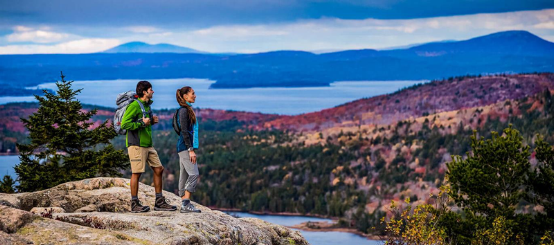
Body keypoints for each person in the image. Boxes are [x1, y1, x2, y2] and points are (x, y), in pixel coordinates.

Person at [121, 81, 177, 212]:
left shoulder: (147, 106)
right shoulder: (134, 106)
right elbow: (124, 124)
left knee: (159, 169)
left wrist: (151, 122)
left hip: (148, 144)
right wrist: (142, 123)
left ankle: (159, 202)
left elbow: (145, 123)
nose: (153, 92)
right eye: (151, 90)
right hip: (136, 144)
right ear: (144, 92)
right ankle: (134, 204)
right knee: (137, 173)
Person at [176, 86, 202, 213]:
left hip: (184, 146)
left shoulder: (186, 109)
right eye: (193, 93)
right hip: (186, 147)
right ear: (185, 96)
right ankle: (186, 204)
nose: (195, 95)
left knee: (184, 174)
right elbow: (184, 131)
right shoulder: (184, 111)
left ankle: (183, 202)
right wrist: (190, 149)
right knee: (194, 174)